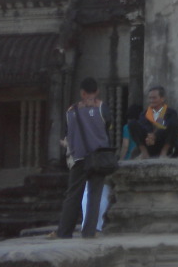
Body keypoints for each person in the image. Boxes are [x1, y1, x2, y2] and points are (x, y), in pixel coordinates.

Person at [53, 77, 111, 239]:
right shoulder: (102, 108)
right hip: (98, 156)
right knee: (95, 194)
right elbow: (108, 126)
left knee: (73, 195)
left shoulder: (71, 110)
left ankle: (64, 231)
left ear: (82, 92)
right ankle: (89, 231)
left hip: (78, 157)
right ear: (97, 91)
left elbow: (68, 132)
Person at [129, 86, 178, 158]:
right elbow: (144, 126)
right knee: (132, 123)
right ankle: (144, 153)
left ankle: (164, 153)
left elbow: (168, 125)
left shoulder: (170, 112)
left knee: (174, 123)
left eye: (154, 98)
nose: (151, 100)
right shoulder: (145, 113)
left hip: (163, 141)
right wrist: (150, 135)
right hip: (149, 142)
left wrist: (155, 135)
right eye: (150, 98)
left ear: (162, 99)